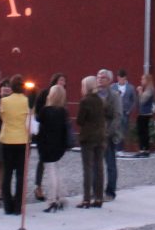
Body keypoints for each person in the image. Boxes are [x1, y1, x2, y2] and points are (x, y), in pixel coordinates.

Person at [0, 74, 31, 216]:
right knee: (21, 175)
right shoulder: (27, 101)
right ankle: (18, 206)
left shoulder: (4, 101)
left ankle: (8, 205)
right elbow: (30, 121)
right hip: (22, 139)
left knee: (7, 173)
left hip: (7, 139)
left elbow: (2, 118)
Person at [35, 84, 71, 212]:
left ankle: (52, 200)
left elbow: (37, 127)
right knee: (58, 171)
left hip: (47, 146)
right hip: (59, 146)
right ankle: (61, 197)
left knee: (50, 173)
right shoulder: (63, 112)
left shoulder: (45, 111)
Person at [31, 73, 66, 201]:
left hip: (49, 140)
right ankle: (40, 187)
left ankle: (54, 196)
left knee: (52, 168)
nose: (62, 82)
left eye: (64, 80)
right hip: (48, 139)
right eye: (61, 80)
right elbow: (38, 114)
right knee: (47, 165)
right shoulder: (44, 95)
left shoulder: (60, 106)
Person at [76, 75, 106, 208]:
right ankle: (99, 198)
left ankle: (86, 199)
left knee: (87, 168)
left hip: (88, 137)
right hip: (100, 136)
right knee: (99, 168)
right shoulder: (100, 100)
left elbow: (80, 120)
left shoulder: (85, 101)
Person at [96, 69, 122, 201]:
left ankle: (110, 192)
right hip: (94, 134)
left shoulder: (114, 96)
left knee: (110, 164)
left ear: (109, 80)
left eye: (103, 77)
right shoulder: (93, 95)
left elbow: (117, 117)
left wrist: (107, 133)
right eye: (98, 77)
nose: (100, 79)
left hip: (108, 135)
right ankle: (96, 190)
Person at [115, 69, 138, 150]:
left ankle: (120, 148)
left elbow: (134, 100)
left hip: (125, 112)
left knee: (123, 130)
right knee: (114, 129)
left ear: (125, 78)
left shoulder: (131, 88)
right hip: (115, 112)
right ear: (117, 78)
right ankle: (114, 147)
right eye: (120, 78)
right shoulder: (113, 87)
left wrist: (129, 110)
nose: (121, 80)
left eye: (123, 78)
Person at [136, 73, 155, 156]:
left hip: (145, 114)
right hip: (144, 113)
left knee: (142, 132)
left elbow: (142, 101)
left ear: (147, 80)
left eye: (143, 79)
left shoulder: (149, 89)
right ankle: (145, 149)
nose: (141, 81)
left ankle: (143, 150)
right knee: (144, 132)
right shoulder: (149, 89)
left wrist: (140, 91)